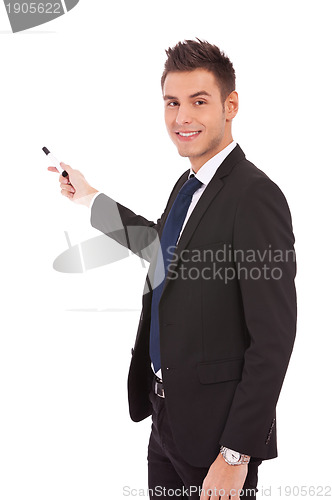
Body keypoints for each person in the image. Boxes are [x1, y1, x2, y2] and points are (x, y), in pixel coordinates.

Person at [48, 39, 297, 499]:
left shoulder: (255, 196)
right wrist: (89, 197)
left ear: (231, 105)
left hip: (218, 436)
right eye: (172, 103)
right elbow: (158, 248)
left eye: (199, 102)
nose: (182, 118)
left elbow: (275, 340)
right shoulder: (188, 184)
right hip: (166, 421)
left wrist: (237, 454)